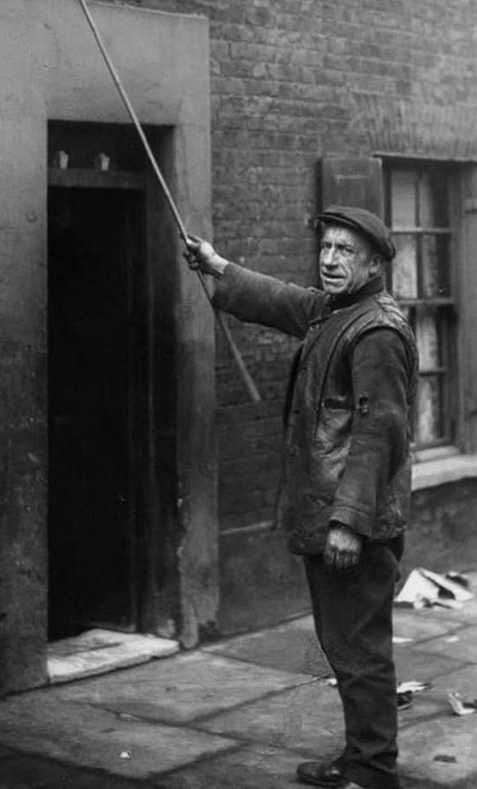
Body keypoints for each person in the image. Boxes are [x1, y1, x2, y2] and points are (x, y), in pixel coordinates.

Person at [185, 206, 418, 789]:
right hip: (335, 511)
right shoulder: (338, 311)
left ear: (373, 264)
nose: (331, 259)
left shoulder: (376, 332)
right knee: (345, 646)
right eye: (327, 248)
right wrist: (220, 268)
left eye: (346, 251)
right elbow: (286, 300)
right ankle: (362, 757)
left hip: (352, 521)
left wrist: (348, 522)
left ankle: (372, 770)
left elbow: (378, 433)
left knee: (360, 651)